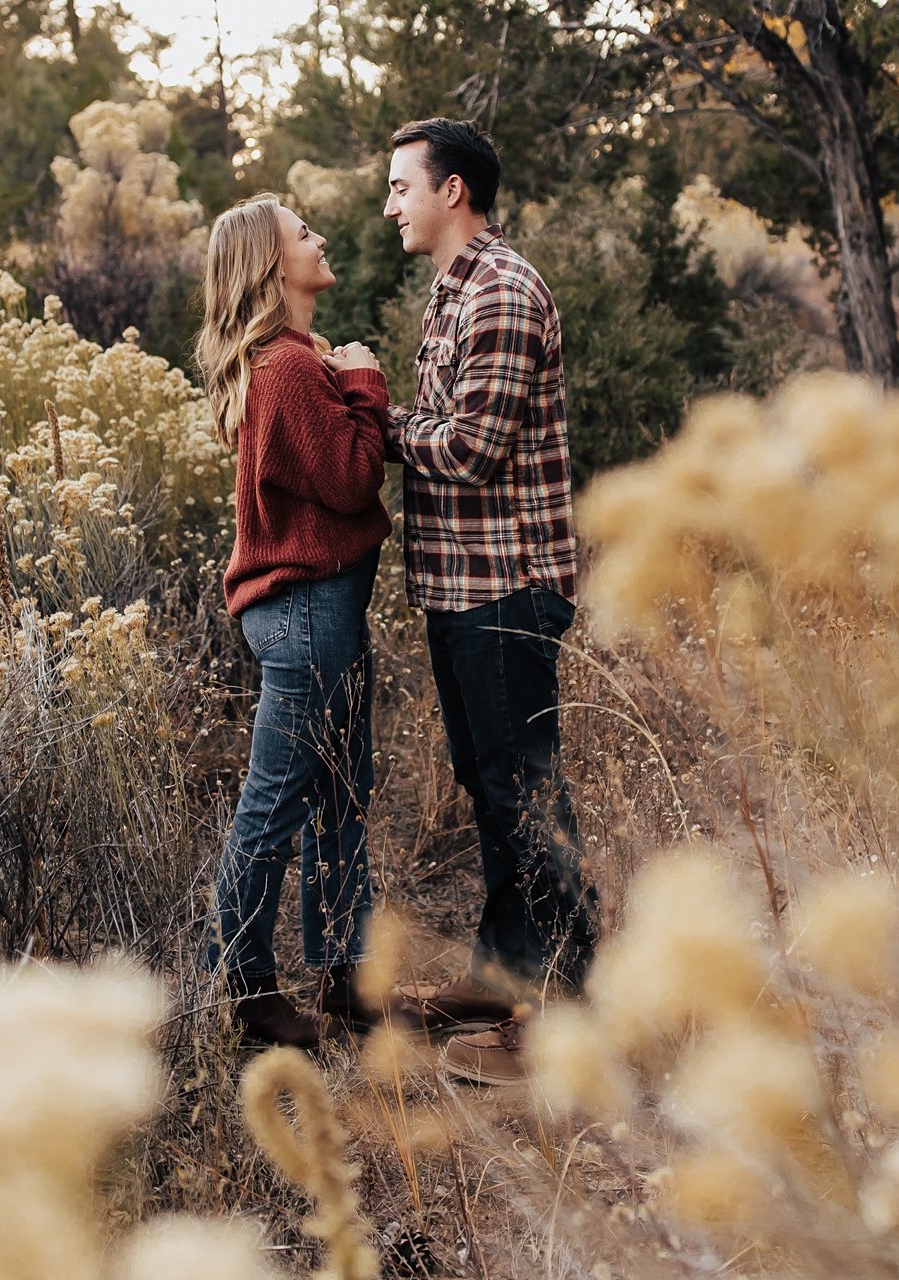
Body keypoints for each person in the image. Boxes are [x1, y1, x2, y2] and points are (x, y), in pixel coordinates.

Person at [383, 118, 600, 1083]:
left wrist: (366, 418)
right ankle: (504, 974)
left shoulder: (503, 293)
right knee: (493, 787)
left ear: (453, 192)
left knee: (526, 796)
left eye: (402, 187)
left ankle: (557, 1017)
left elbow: (468, 450)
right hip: (462, 582)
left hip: (506, 583)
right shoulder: (454, 290)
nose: (390, 205)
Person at [196, 191, 391, 1050]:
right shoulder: (285, 366)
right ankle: (245, 991)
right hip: (306, 612)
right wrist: (367, 382)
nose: (320, 238)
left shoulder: (290, 357)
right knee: (274, 806)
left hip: (320, 609)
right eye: (302, 233)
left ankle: (346, 981)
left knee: (340, 799)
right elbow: (351, 480)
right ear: (273, 267)